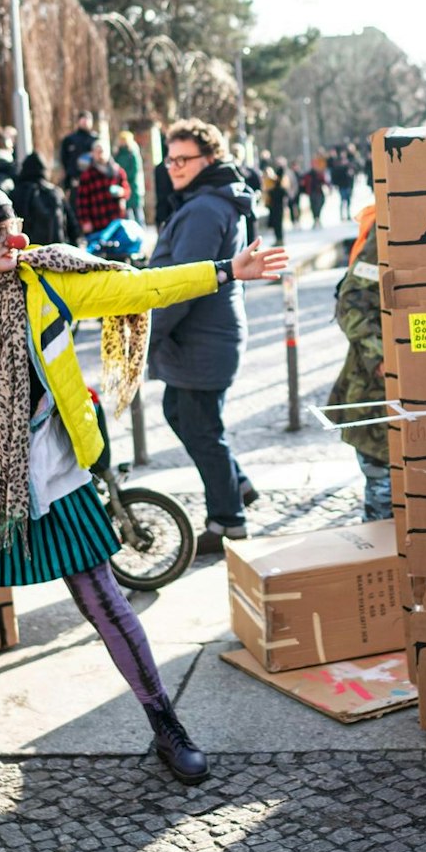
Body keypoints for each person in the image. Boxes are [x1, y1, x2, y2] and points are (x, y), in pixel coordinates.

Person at [0, 183, 288, 801]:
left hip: (42, 461)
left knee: (104, 599)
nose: (13, 241)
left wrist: (226, 270)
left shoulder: (45, 283)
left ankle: (164, 722)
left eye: (14, 227)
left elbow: (138, 287)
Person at [147, 120, 263, 553]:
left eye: (184, 159)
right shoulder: (207, 200)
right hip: (205, 336)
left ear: (209, 159)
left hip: (200, 339)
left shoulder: (203, 209)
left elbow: (184, 285)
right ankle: (239, 485)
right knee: (181, 413)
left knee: (201, 428)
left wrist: (150, 334)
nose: (174, 167)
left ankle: (227, 521)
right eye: (170, 159)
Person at [327, 209, 388, 520]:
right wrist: (381, 359)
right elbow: (352, 300)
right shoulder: (392, 220)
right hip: (378, 398)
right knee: (384, 499)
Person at [10, 153, 77, 246]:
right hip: (55, 251)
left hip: (27, 250)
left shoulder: (16, 193)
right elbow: (72, 225)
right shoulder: (55, 192)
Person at [73, 140, 130, 236]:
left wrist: (122, 192)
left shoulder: (118, 172)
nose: (100, 154)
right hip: (97, 222)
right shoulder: (87, 176)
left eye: (102, 151)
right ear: (93, 154)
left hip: (116, 221)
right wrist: (85, 221)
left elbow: (127, 191)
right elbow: (82, 201)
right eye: (97, 152)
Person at [57, 111, 98, 190]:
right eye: (83, 119)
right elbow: (64, 159)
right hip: (75, 180)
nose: (85, 122)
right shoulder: (69, 139)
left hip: (94, 179)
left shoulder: (96, 139)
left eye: (88, 119)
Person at [113, 131, 144, 223]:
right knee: (127, 213)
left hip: (132, 185)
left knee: (137, 210)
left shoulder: (132, 154)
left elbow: (134, 170)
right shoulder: (118, 154)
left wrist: (125, 178)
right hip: (122, 185)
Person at [301, 156, 328, 229]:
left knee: (319, 204)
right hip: (312, 192)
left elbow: (324, 181)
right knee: (314, 206)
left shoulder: (319, 173)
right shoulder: (308, 174)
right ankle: (316, 219)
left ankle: (317, 218)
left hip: (319, 191)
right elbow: (304, 183)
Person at [328, 151, 355, 222]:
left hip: (347, 186)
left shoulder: (348, 167)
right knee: (343, 200)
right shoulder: (339, 168)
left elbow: (351, 178)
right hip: (342, 186)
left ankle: (348, 214)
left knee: (348, 201)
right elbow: (335, 177)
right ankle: (342, 215)